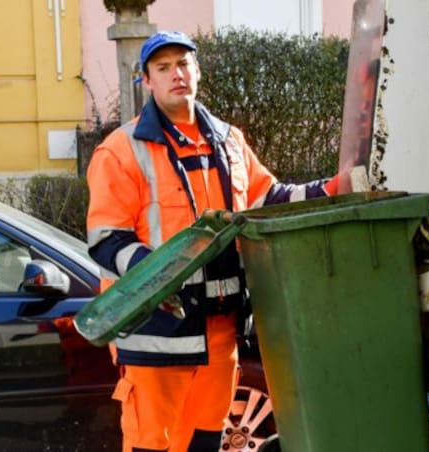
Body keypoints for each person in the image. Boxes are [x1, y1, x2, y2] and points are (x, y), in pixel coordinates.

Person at [86, 30, 339, 452]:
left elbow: (267, 199)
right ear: (146, 82)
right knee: (153, 444)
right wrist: (161, 280)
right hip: (157, 336)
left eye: (183, 64)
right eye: (163, 68)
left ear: (198, 72)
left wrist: (332, 187)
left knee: (206, 442)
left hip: (219, 333)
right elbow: (107, 241)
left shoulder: (229, 141)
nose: (176, 74)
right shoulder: (121, 150)